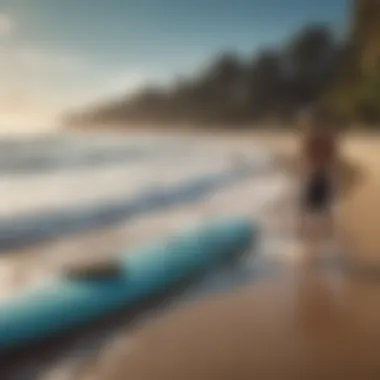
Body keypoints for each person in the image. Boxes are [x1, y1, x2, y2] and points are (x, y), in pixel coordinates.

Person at [297, 110, 340, 250]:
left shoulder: (313, 139)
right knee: (322, 207)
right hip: (322, 174)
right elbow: (332, 158)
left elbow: (306, 157)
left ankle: (307, 235)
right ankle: (326, 235)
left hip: (315, 174)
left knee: (308, 207)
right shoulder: (327, 138)